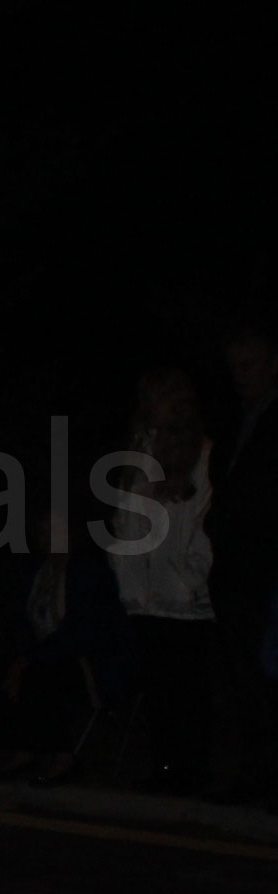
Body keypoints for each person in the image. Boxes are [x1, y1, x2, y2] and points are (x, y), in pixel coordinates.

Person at [107, 367, 217, 795]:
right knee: (157, 689)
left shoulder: (202, 454)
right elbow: (124, 517)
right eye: (146, 397)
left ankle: (192, 771)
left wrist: (190, 576)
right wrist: (121, 567)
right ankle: (164, 767)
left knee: (187, 689)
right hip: (143, 593)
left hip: (182, 597)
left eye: (159, 397)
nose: (150, 406)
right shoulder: (139, 452)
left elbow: (205, 522)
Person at [0, 511, 127, 787]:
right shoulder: (38, 570)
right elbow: (22, 619)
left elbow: (83, 630)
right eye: (42, 532)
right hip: (48, 653)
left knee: (44, 674)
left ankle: (63, 756)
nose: (48, 539)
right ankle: (24, 748)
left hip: (89, 660)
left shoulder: (88, 570)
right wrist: (23, 656)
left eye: (55, 531)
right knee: (4, 666)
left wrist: (33, 658)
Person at [207, 322, 276, 802]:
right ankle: (252, 776)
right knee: (241, 676)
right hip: (234, 567)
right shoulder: (237, 419)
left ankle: (267, 779)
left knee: (265, 674)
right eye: (235, 367)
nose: (240, 375)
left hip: (265, 568)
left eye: (249, 365)